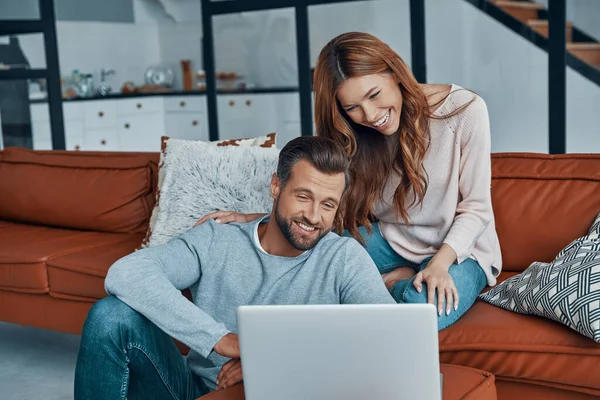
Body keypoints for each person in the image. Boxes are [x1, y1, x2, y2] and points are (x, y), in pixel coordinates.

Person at [196, 32, 502, 331]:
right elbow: (326, 200)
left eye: (374, 95)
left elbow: (476, 209)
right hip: (392, 239)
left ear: (395, 72)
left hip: (462, 250)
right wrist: (254, 219)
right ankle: (394, 279)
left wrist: (440, 264)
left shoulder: (464, 111)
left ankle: (396, 284)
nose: (370, 115)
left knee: (417, 317)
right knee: (307, 265)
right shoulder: (354, 133)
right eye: (353, 107)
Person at [73, 136, 395, 400]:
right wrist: (223, 340)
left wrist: (268, 358)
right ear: (275, 187)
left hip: (285, 390)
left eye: (328, 205)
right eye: (303, 196)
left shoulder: (343, 257)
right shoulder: (217, 238)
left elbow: (388, 338)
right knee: (110, 315)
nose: (313, 216)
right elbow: (126, 273)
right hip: (194, 390)